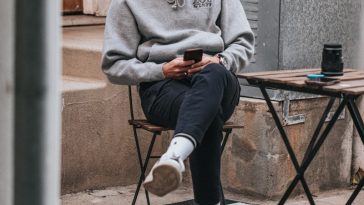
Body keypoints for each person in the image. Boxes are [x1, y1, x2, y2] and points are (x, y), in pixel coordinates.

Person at [102, 0, 255, 204]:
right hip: (162, 87)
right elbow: (113, 65)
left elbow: (243, 43)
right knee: (205, 111)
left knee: (213, 76)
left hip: (219, 82)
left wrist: (220, 60)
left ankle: (174, 155)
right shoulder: (127, 2)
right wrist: (161, 70)